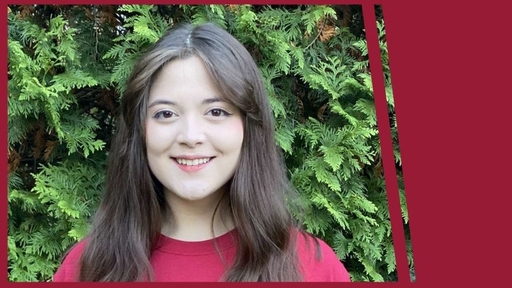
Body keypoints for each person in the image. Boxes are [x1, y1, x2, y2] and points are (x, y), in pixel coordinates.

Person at [52, 21, 351, 282]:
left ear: (249, 126)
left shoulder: (313, 267)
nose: (191, 136)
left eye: (217, 111)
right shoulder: (88, 268)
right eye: (166, 114)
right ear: (139, 132)